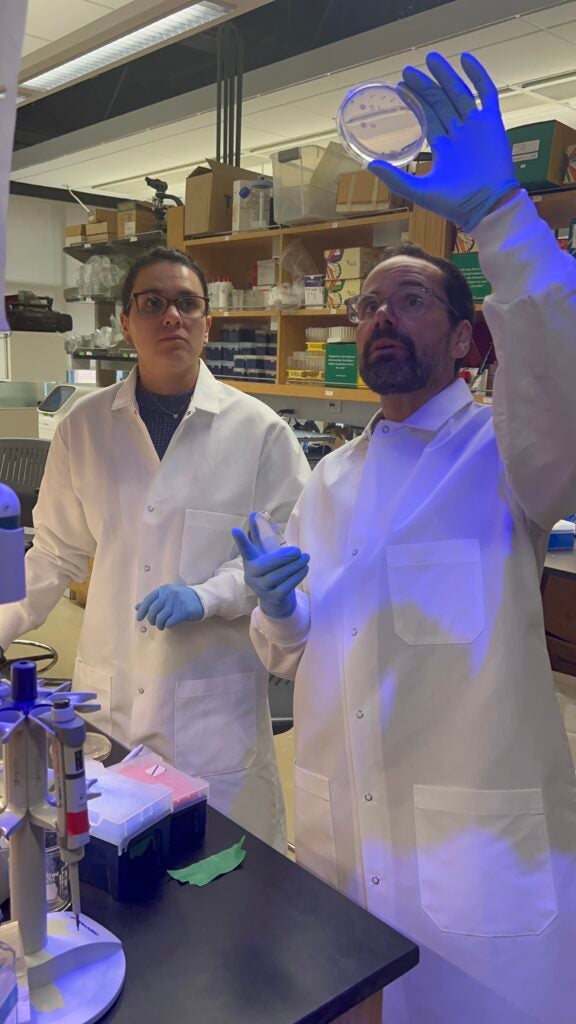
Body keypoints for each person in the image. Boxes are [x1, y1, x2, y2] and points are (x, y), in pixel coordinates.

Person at [233, 53, 576, 1023]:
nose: (382, 316)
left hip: (477, 865)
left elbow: (566, 373)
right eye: (369, 303)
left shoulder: (510, 457)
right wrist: (279, 607)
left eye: (413, 299)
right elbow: (288, 651)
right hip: (341, 845)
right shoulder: (329, 478)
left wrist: (503, 219)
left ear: (469, 340)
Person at [0, 247, 310, 851]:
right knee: (112, 878)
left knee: (225, 889)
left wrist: (207, 596)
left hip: (210, 707)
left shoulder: (261, 432)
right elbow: (55, 553)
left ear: (207, 323)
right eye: (153, 303)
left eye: (187, 304)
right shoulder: (84, 426)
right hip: (110, 698)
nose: (172, 316)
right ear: (126, 322)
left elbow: (282, 559)